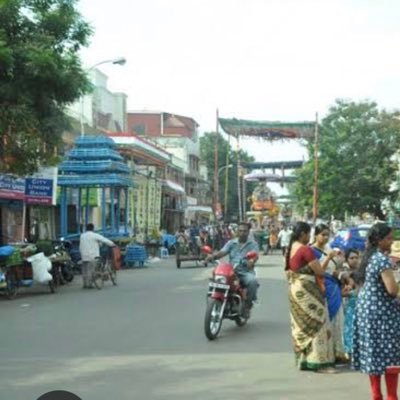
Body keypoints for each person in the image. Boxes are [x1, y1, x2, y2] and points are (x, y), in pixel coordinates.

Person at [352, 223, 400, 400]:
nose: (392, 241)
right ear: (379, 241)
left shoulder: (369, 256)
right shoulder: (382, 260)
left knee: (374, 353)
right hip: (381, 313)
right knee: (390, 354)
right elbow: (392, 290)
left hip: (367, 310)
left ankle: (376, 395)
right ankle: (392, 396)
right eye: (389, 238)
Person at [285, 221, 335, 372]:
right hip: (308, 290)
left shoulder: (290, 248)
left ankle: (304, 361)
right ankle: (319, 364)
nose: (310, 237)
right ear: (303, 234)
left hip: (295, 289)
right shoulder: (305, 250)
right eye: (308, 234)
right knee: (318, 323)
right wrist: (329, 258)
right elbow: (319, 272)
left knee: (302, 324)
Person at [310, 223, 347, 364]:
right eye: (323, 235)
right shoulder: (312, 251)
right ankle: (326, 354)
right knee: (327, 319)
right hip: (322, 286)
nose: (325, 237)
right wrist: (328, 257)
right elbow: (318, 271)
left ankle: (338, 351)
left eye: (327, 235)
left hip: (334, 286)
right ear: (316, 235)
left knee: (338, 319)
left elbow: (333, 269)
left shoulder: (328, 248)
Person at [205, 222, 259, 315]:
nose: (242, 233)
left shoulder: (253, 244)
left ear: (248, 232)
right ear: (237, 231)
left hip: (245, 271)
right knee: (216, 279)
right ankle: (217, 300)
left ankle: (247, 305)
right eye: (240, 230)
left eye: (244, 231)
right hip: (231, 271)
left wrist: (251, 262)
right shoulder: (231, 242)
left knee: (253, 281)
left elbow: (255, 256)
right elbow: (222, 252)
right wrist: (212, 257)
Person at [79, 223, 115, 289]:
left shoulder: (82, 236)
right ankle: (89, 284)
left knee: (85, 270)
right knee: (91, 269)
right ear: (93, 229)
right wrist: (112, 244)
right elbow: (104, 240)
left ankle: (85, 284)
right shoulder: (94, 235)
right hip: (92, 256)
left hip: (83, 256)